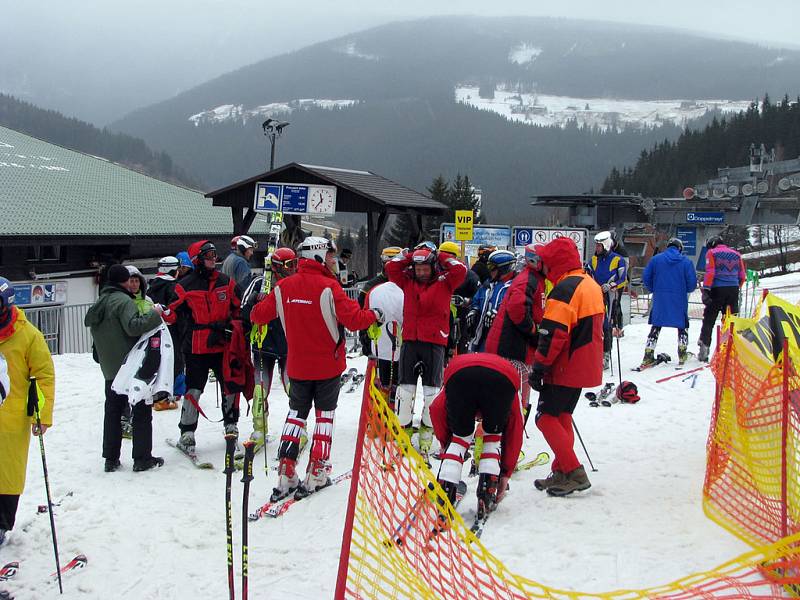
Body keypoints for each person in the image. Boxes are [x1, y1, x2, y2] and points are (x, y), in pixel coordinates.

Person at [251, 237, 379, 501]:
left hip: (298, 365)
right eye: (330, 257)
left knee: (296, 415)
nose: (334, 261)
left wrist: (261, 297)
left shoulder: (284, 286)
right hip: (327, 365)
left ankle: (286, 470)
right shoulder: (330, 287)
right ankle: (317, 471)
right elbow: (354, 320)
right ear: (320, 256)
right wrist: (375, 315)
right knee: (324, 417)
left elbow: (257, 315)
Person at [528, 237, 604, 496]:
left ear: (554, 263)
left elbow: (553, 333)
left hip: (565, 364)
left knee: (545, 417)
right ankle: (561, 470)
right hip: (585, 363)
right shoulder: (588, 283)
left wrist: (539, 367)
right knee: (561, 416)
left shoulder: (564, 289)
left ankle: (573, 471)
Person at [385, 243, 467, 460]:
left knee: (432, 394)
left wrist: (439, 255)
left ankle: (426, 436)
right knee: (405, 392)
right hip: (411, 340)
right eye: (418, 269)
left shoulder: (446, 282)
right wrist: (412, 255)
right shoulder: (408, 281)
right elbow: (391, 269)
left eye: (425, 268)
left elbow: (461, 270)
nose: (421, 273)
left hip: (434, 343)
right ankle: (402, 436)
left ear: (433, 267)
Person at [84, 265, 165, 472]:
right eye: (129, 280)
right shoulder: (123, 301)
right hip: (130, 366)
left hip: (109, 367)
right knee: (141, 410)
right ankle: (142, 458)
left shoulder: (101, 301)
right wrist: (155, 314)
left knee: (112, 412)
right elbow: (133, 327)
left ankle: (110, 458)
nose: (132, 283)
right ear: (124, 281)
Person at [167, 240, 243, 455]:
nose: (212, 258)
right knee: (194, 388)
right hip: (196, 345)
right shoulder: (185, 285)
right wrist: (160, 314)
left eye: (214, 254)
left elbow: (238, 307)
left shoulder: (225, 282)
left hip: (222, 343)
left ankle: (231, 425)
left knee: (230, 386)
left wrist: (235, 325)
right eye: (208, 254)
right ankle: (187, 432)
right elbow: (172, 312)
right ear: (197, 259)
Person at [430, 353, 524, 516]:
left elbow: (436, 408)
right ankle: (488, 489)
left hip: (459, 373)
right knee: (492, 439)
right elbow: (516, 427)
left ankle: (446, 488)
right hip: (503, 378)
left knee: (459, 439)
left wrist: (447, 445)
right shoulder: (512, 394)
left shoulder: (452, 384)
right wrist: (505, 473)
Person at [0, 277, 55, 545]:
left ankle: (1, 524)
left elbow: (44, 376)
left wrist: (42, 414)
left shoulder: (27, 335)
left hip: (11, 417)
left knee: (7, 471)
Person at [241, 247, 298, 450]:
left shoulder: (296, 284)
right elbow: (244, 311)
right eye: (289, 265)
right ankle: (259, 428)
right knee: (259, 388)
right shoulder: (259, 283)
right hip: (263, 344)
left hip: (288, 344)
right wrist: (257, 300)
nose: (293, 269)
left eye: (295, 264)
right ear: (276, 267)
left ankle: (299, 426)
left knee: (292, 387)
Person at [640, 238, 698, 368]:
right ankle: (682, 354)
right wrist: (685, 289)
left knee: (656, 326)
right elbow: (692, 283)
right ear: (680, 248)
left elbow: (646, 277)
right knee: (682, 325)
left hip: (660, 298)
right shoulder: (686, 262)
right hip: (679, 298)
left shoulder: (656, 260)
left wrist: (653, 288)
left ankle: (648, 355)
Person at [698, 235, 746, 362]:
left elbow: (711, 272)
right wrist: (736, 287)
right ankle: (730, 351)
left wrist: (706, 289)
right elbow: (742, 276)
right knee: (730, 321)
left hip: (717, 290)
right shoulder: (736, 254)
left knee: (709, 319)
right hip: (733, 290)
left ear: (712, 244)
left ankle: (704, 348)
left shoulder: (711, 253)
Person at [588, 231, 627, 370]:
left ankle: (606, 354)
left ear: (605, 245)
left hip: (610, 296)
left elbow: (623, 279)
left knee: (607, 324)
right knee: (593, 324)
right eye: (596, 246)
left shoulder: (618, 259)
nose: (597, 248)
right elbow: (587, 274)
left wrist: (611, 285)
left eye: (599, 246)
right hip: (595, 294)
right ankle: (594, 353)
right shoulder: (593, 260)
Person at [148, 256, 183, 410]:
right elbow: (177, 310)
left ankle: (154, 393)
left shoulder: (150, 286)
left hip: (153, 330)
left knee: (156, 359)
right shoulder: (173, 286)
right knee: (174, 360)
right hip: (172, 330)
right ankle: (171, 393)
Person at [466, 250, 517, 352]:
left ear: (504, 269)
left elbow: (515, 309)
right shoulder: (488, 285)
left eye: (492, 268)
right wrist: (474, 309)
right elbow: (477, 299)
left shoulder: (514, 287)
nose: (490, 271)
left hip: (503, 340)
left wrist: (498, 313)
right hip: (482, 336)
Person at [438, 241, 480, 358]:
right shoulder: (435, 273)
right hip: (440, 316)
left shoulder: (469, 275)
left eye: (449, 257)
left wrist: (465, 301)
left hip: (461, 316)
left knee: (461, 345)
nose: (445, 260)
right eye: (442, 256)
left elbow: (478, 297)